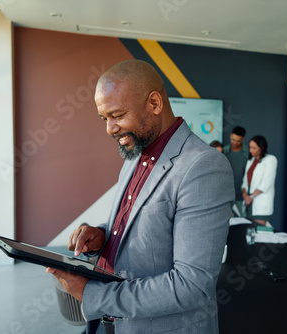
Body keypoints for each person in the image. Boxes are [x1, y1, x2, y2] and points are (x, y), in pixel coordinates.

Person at [46, 59, 234, 334]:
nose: (110, 128)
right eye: (104, 118)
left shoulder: (204, 166)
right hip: (110, 323)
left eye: (118, 115)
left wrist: (94, 296)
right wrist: (102, 236)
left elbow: (191, 285)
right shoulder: (135, 156)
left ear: (155, 104)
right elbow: (138, 227)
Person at [241, 135, 277, 226]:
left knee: (259, 232)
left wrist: (251, 197)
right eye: (250, 147)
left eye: (254, 148)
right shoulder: (251, 160)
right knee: (249, 231)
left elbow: (266, 183)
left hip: (259, 202)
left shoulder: (270, 160)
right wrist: (245, 195)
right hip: (248, 203)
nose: (250, 150)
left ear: (262, 148)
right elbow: (245, 182)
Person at [223, 126, 248, 216]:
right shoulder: (224, 151)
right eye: (233, 140)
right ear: (230, 136)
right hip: (226, 195)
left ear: (242, 139)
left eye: (238, 141)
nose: (235, 143)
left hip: (242, 196)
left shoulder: (248, 153)